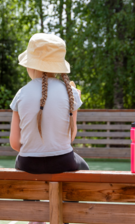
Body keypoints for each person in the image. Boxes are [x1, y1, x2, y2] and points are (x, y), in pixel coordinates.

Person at [10, 34, 87, 174]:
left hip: (28, 164)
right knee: (84, 168)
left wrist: (34, 152)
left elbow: (15, 143)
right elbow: (70, 138)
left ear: (30, 65)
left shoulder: (21, 94)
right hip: (63, 162)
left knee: (19, 162)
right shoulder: (71, 93)